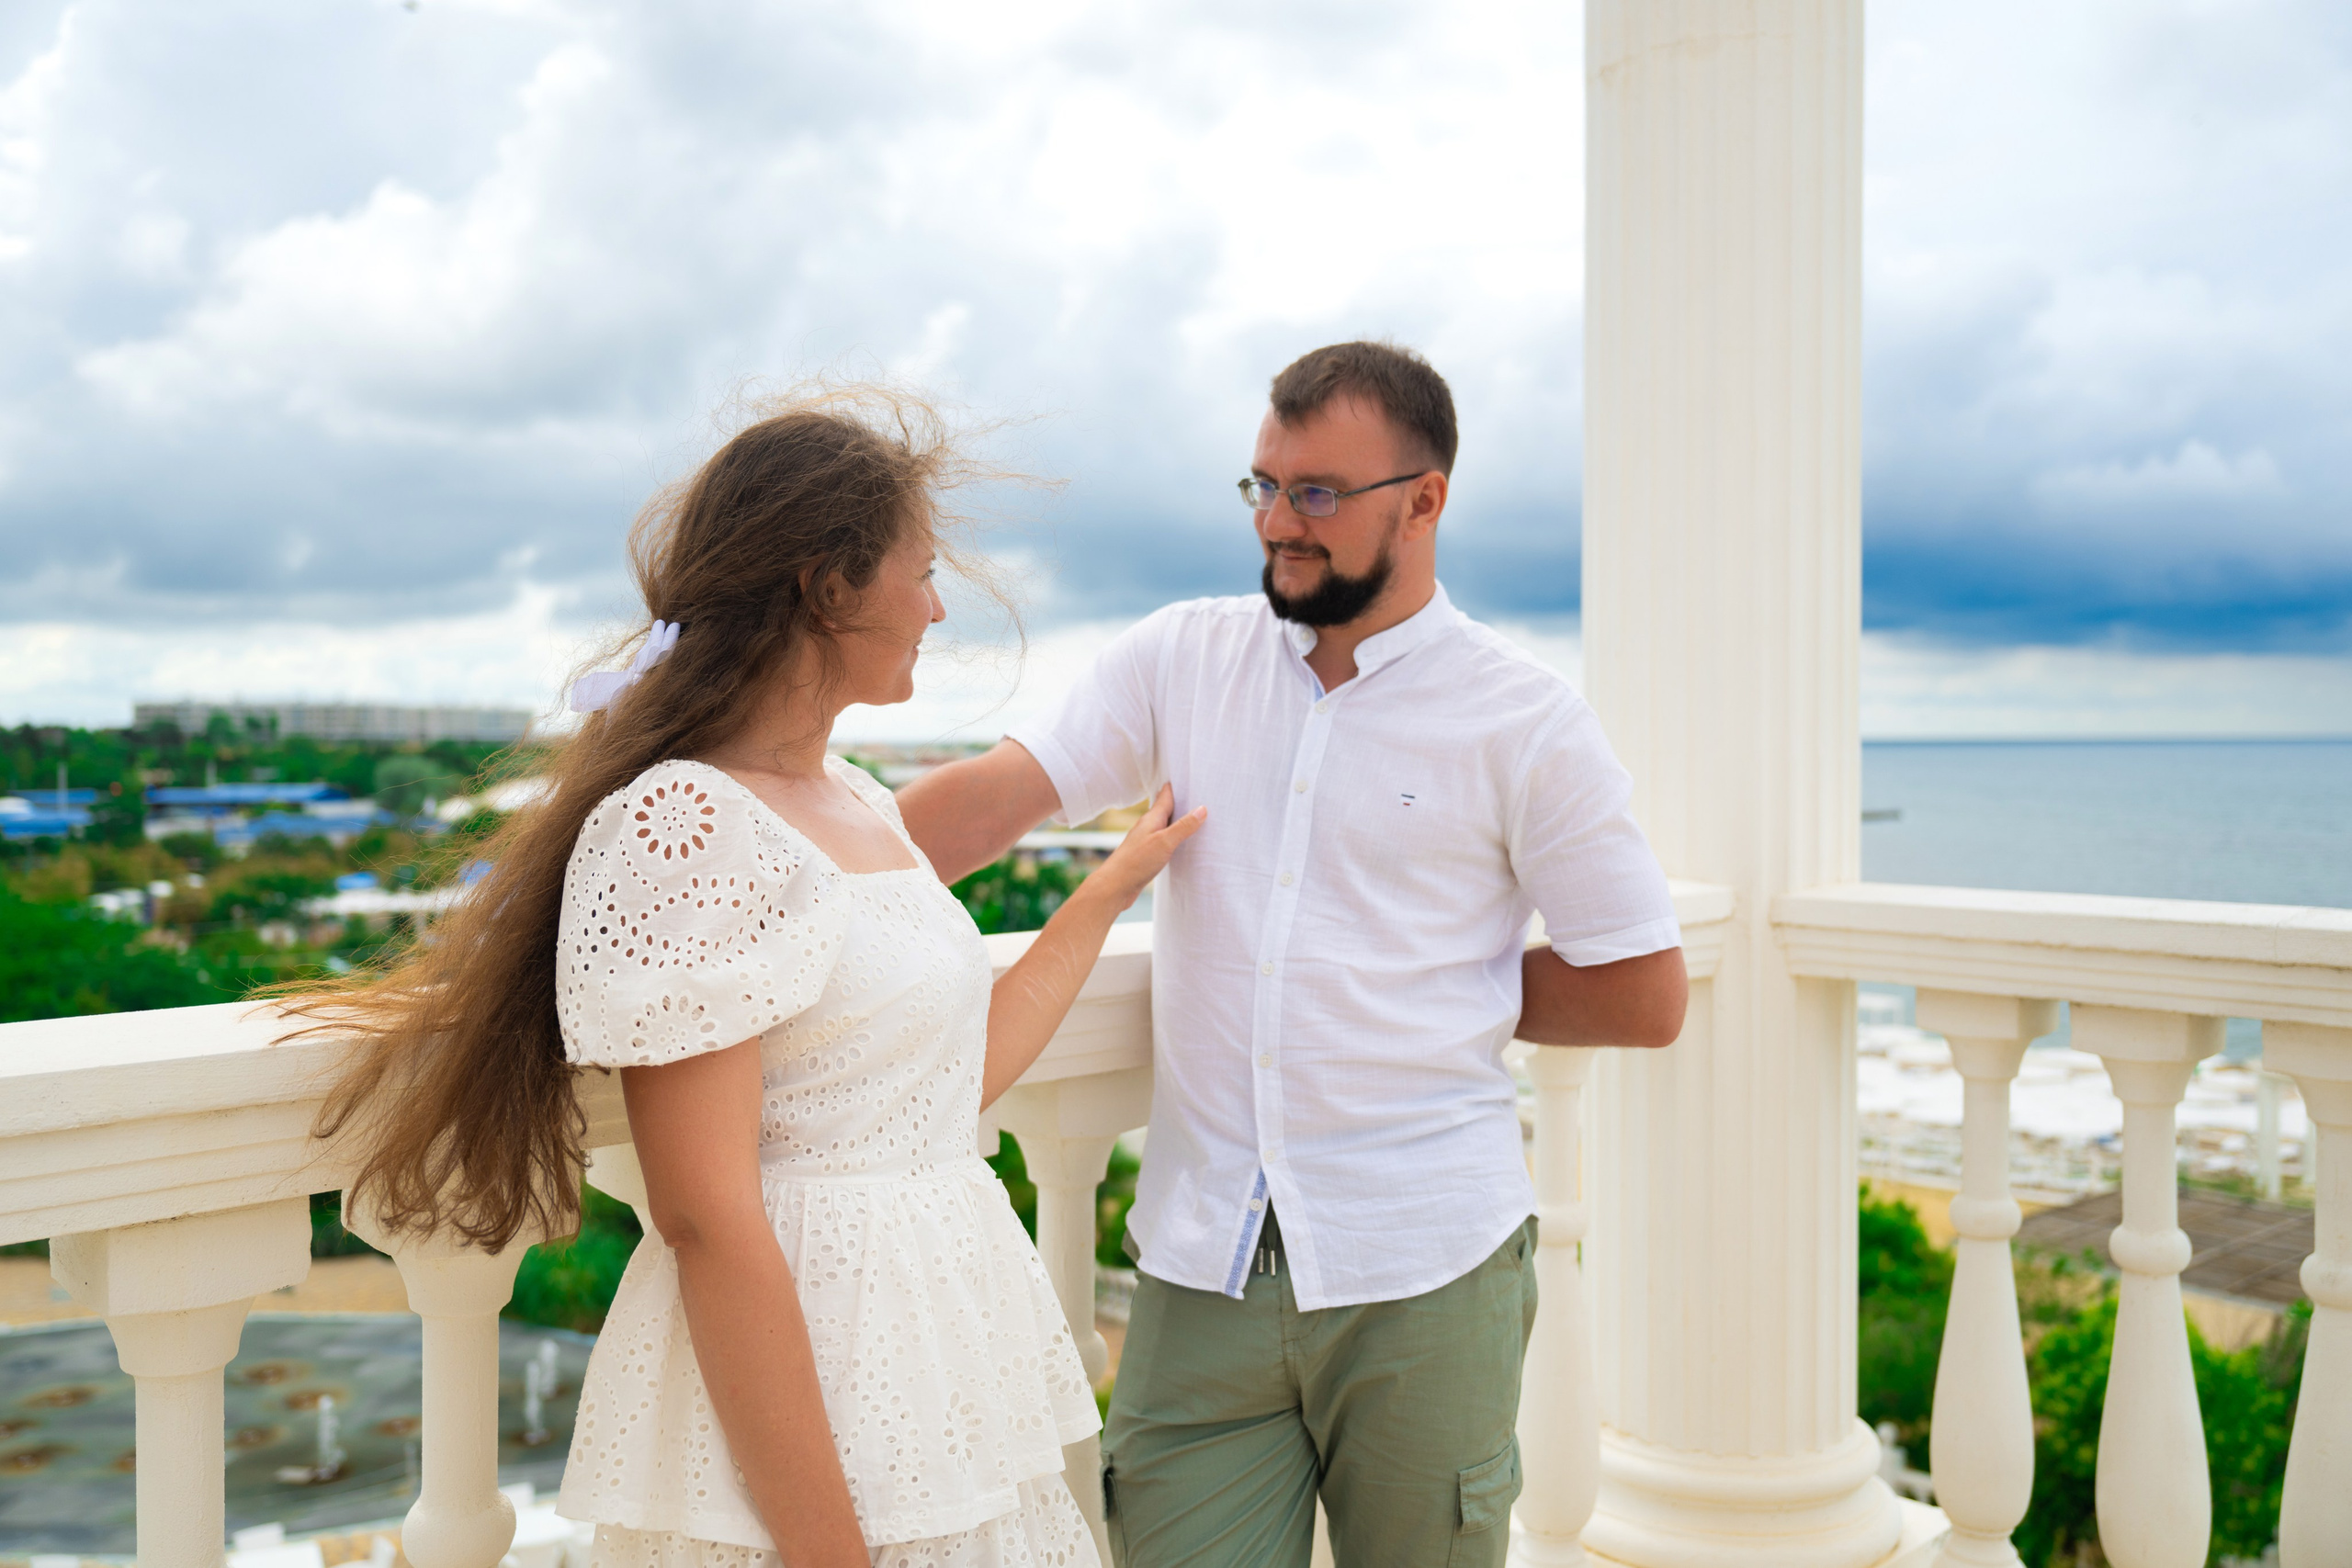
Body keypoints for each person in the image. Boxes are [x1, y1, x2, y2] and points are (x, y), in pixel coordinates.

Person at [301, 389, 1202, 1568]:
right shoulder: (689, 821)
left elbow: (946, 1081)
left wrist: (1104, 893)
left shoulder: (860, 804)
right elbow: (703, 1211)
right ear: (829, 587)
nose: (935, 607)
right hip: (807, 1385)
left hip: (936, 1355)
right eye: (918, 573)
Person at [897, 342, 1688, 1568]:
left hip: (1426, 1267)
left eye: (1317, 491)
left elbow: (1643, 990)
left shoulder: (1528, 721)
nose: (1277, 520)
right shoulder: (1181, 657)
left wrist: (1442, 980)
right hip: (1201, 1264)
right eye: (1262, 485)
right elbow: (991, 803)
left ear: (1424, 499)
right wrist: (763, 860)